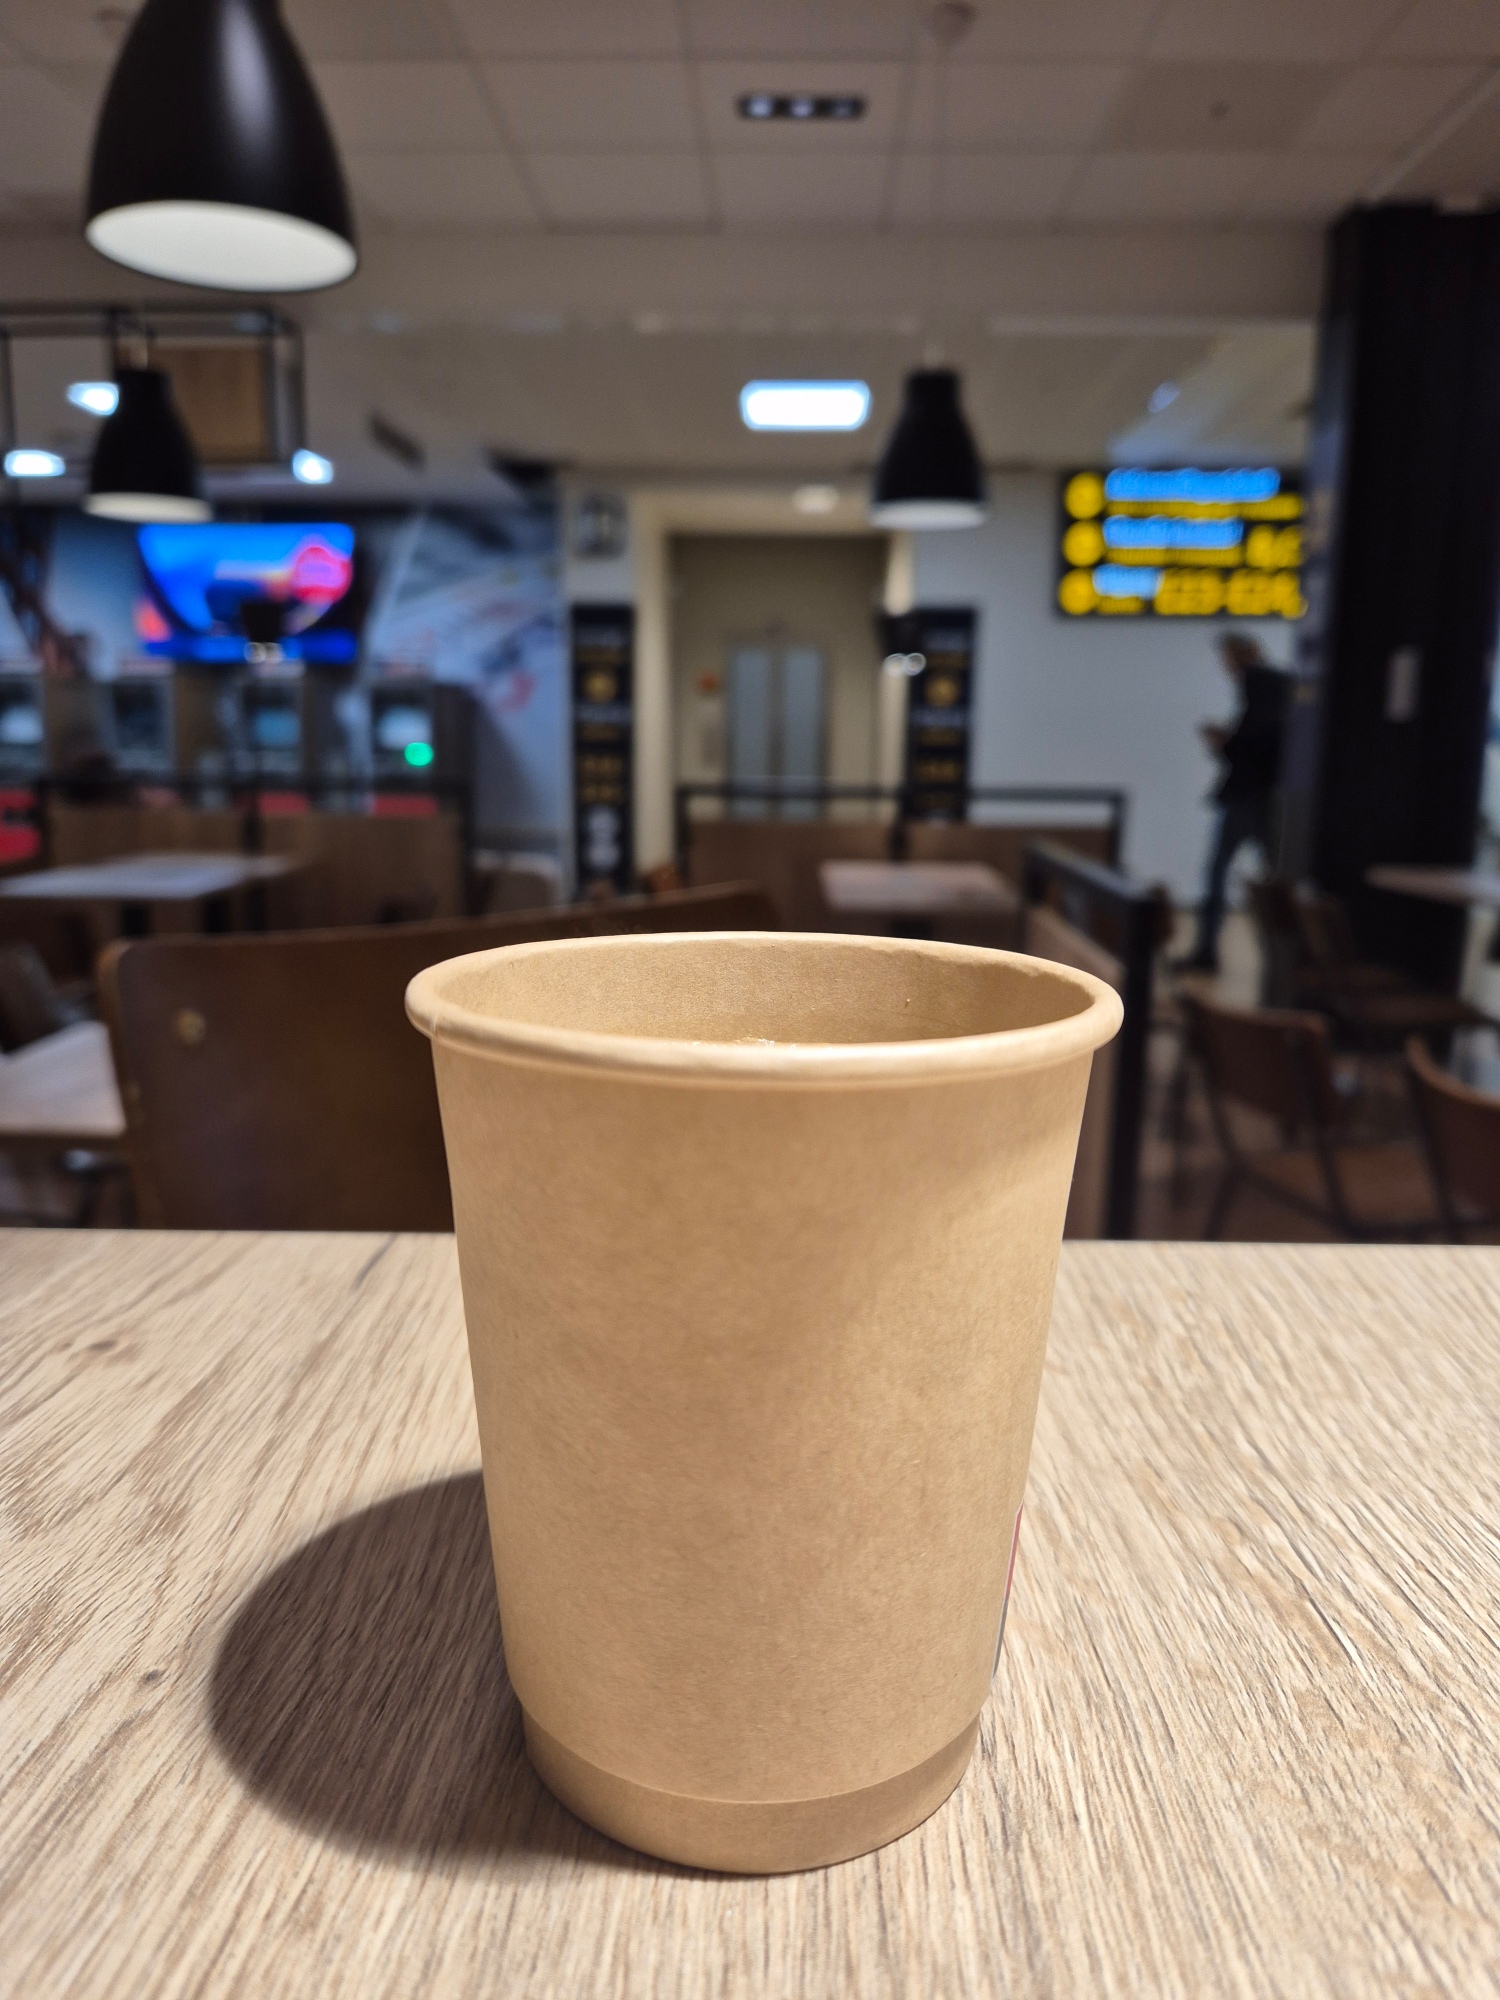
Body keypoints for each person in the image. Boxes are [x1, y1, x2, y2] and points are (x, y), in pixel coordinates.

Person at [1178, 632, 1292, 972]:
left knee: (1226, 874)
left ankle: (1210, 953)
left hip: (1251, 796)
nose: (1225, 666)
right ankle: (1283, 962)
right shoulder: (1274, 685)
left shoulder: (1258, 681)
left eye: (1227, 657)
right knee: (1271, 878)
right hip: (1264, 795)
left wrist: (1224, 743)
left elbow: (1256, 742)